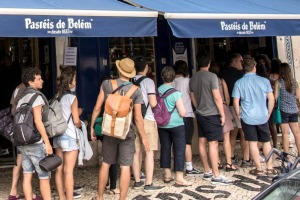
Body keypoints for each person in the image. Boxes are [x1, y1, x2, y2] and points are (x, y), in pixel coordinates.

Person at [90, 57, 150, 200]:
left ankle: (99, 197)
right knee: (125, 167)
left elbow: (97, 108)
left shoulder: (106, 84)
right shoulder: (136, 91)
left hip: (109, 130)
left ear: (119, 70)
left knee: (106, 163)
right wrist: (144, 137)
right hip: (126, 132)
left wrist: (92, 126)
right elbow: (138, 117)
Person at [190, 54, 232, 185]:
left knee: (202, 142)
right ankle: (216, 175)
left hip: (200, 114)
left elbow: (192, 96)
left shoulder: (193, 78)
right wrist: (222, 114)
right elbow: (217, 97)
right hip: (212, 114)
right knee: (213, 144)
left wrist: (198, 107)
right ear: (208, 63)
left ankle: (207, 171)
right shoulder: (212, 77)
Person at [232, 59, 278, 177]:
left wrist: (238, 113)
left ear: (243, 68)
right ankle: (270, 167)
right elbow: (272, 99)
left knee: (252, 142)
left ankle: (258, 168)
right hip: (262, 115)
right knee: (266, 142)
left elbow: (236, 101)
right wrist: (268, 112)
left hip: (247, 117)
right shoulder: (264, 81)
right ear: (254, 67)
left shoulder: (238, 83)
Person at [16, 67, 52, 200]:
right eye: (38, 79)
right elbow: (38, 121)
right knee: (44, 177)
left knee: (27, 175)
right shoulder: (36, 97)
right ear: (31, 82)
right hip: (36, 142)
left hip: (23, 142)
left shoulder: (21, 98)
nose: (42, 81)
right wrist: (47, 143)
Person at [131, 57, 163, 191]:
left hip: (132, 120)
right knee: (149, 151)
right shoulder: (149, 81)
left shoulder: (129, 80)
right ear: (146, 68)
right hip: (147, 119)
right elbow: (153, 102)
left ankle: (137, 180)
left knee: (135, 151)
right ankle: (148, 183)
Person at [157, 66, 191, 186]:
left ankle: (167, 175)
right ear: (173, 78)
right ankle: (179, 177)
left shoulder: (158, 91)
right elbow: (182, 112)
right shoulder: (176, 93)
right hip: (177, 125)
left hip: (162, 125)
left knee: (165, 148)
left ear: (162, 77)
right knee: (179, 149)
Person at [53, 67, 83, 200]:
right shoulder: (72, 98)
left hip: (58, 136)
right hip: (70, 135)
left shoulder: (56, 97)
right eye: (75, 79)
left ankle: (61, 197)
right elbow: (76, 121)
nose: (76, 81)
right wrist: (80, 122)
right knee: (68, 171)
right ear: (70, 82)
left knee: (59, 169)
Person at [220, 53, 250, 167]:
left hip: (228, 106)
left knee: (232, 133)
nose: (242, 63)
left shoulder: (222, 74)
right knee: (244, 132)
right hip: (240, 105)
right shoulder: (241, 74)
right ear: (233, 61)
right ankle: (246, 158)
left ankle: (231, 156)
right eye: (240, 61)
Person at [172, 60, 201, 176]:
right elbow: (192, 97)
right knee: (187, 142)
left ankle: (178, 165)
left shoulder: (172, 82)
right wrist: (197, 108)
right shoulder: (188, 81)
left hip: (174, 116)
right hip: (187, 114)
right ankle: (189, 167)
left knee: (177, 142)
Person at [209, 63, 237, 171]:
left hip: (211, 111)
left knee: (213, 141)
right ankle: (229, 163)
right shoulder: (221, 81)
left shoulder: (208, 81)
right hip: (223, 108)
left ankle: (217, 162)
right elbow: (227, 97)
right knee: (226, 138)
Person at [274, 63, 300, 156]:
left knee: (285, 133)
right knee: (297, 133)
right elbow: (298, 96)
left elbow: (275, 96)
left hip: (283, 110)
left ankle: (285, 154)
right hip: (294, 110)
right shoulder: (295, 83)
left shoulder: (278, 82)